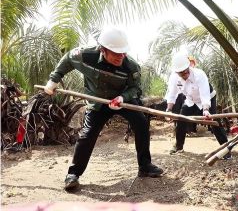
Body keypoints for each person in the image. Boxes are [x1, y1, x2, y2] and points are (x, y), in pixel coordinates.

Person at [44, 26, 163, 191]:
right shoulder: (85, 55)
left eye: (123, 53)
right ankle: (73, 174)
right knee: (88, 134)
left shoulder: (131, 66)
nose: (121, 56)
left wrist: (122, 98)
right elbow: (68, 58)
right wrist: (54, 79)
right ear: (103, 50)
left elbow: (135, 88)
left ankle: (145, 166)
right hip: (98, 102)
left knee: (141, 124)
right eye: (116, 53)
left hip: (122, 100)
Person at [165, 52, 229, 155]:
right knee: (181, 119)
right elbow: (172, 94)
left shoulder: (199, 74)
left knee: (214, 122)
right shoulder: (174, 78)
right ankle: (178, 146)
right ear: (176, 72)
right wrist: (168, 110)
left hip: (208, 98)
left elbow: (204, 94)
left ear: (188, 67)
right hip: (191, 101)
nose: (184, 75)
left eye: (186, 72)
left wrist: (206, 110)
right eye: (181, 73)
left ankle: (226, 149)